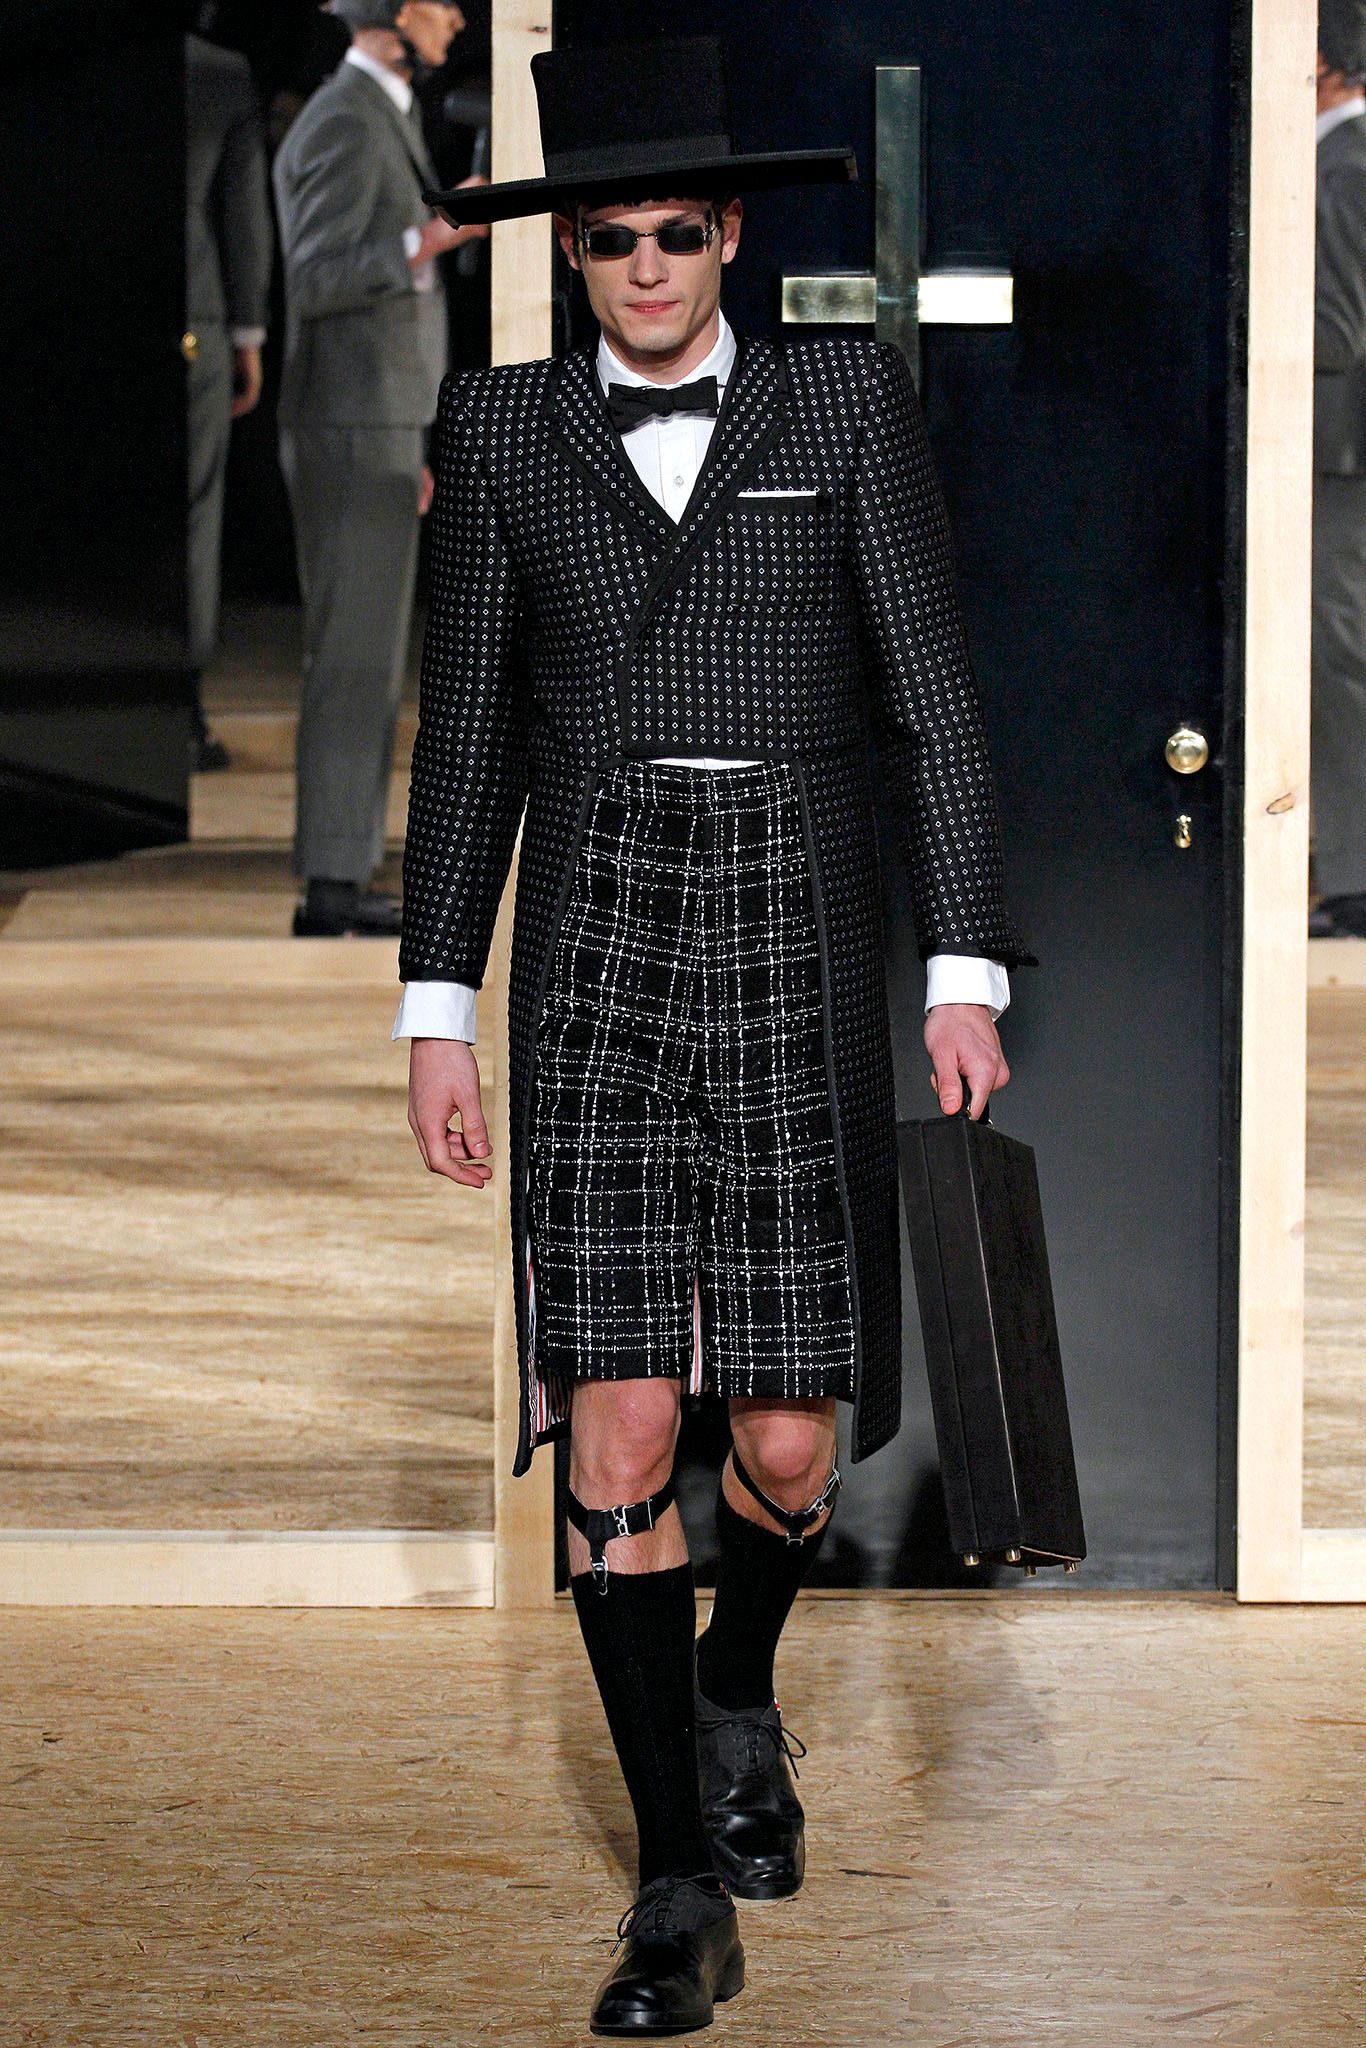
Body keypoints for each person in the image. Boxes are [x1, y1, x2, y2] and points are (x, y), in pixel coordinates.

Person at [394, 35, 1033, 2035]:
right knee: (619, 1420)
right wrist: (435, 1006)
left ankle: (734, 1681)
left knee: (781, 1433)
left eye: (678, 232)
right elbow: (468, 736)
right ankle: (674, 1882)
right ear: (570, 254)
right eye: (611, 240)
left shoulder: (839, 397)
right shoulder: (502, 426)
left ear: (730, 234)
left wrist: (962, 964)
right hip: (594, 929)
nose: (649, 267)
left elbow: (934, 695)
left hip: (789, 915)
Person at [272, 0, 485, 937]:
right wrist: (432, 236)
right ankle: (330, 882)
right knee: (353, 659)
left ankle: (344, 863)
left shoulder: (372, 112)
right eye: (440, 2)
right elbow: (317, 277)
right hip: (353, 419)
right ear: (396, 13)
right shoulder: (345, 119)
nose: (456, 19)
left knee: (366, 656)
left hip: (379, 418)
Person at [184, 24, 273, 772]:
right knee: (192, 515)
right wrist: (247, 334)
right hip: (192, 322)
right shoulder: (216, 72)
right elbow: (242, 213)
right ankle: (181, 707)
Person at [1312, 0, 1366, 939]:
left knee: (1341, 660)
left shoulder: (1346, 163)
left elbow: (1337, 331)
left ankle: (1358, 883)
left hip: (1339, 460)